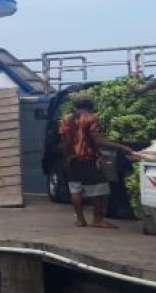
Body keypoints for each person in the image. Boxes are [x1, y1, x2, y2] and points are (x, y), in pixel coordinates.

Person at [59, 95, 135, 228]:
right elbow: (98, 140)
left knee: (75, 189)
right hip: (88, 158)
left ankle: (80, 220)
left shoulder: (66, 119)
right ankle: (97, 219)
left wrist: (67, 156)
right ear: (90, 106)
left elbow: (64, 141)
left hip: (72, 159)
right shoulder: (90, 118)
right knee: (99, 190)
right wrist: (121, 147)